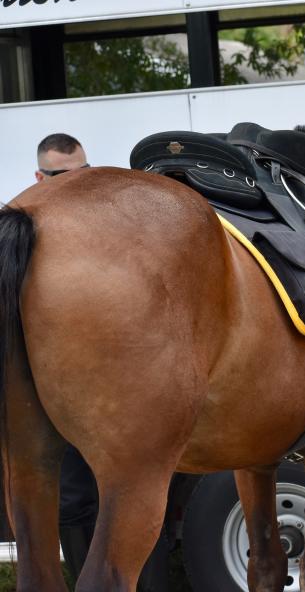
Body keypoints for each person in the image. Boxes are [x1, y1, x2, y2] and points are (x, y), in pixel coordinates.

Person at [34, 133, 168, 590]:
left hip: (115, 398)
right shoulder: (23, 231)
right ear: (39, 177)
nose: (74, 186)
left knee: (134, 499)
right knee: (73, 502)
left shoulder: (112, 231)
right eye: (59, 177)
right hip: (52, 400)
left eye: (83, 176)